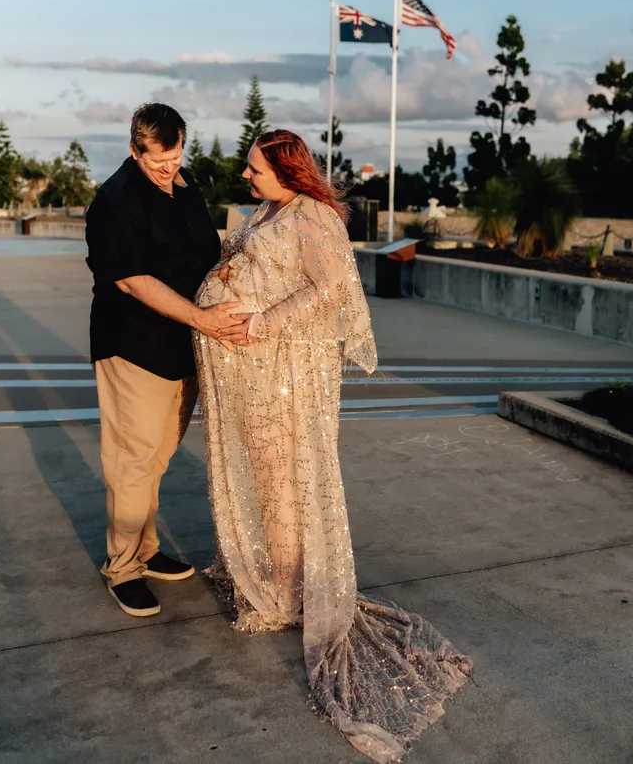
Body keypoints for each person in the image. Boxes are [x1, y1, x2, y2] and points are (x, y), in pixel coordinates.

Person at [194, 130, 472, 763]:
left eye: (255, 165)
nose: (245, 172)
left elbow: (330, 289)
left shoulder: (315, 215)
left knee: (286, 477)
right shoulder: (268, 210)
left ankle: (292, 591)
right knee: (265, 478)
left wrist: (261, 322)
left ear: (286, 170)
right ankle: (273, 575)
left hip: (282, 371)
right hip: (250, 370)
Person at [85, 103, 241, 618]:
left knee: (154, 458)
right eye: (159, 162)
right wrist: (204, 319)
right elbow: (132, 279)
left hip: (182, 346)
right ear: (134, 149)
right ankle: (123, 567)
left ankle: (146, 551)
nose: (169, 169)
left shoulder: (184, 184)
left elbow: (201, 251)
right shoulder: (116, 201)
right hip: (133, 347)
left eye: (176, 157)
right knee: (133, 461)